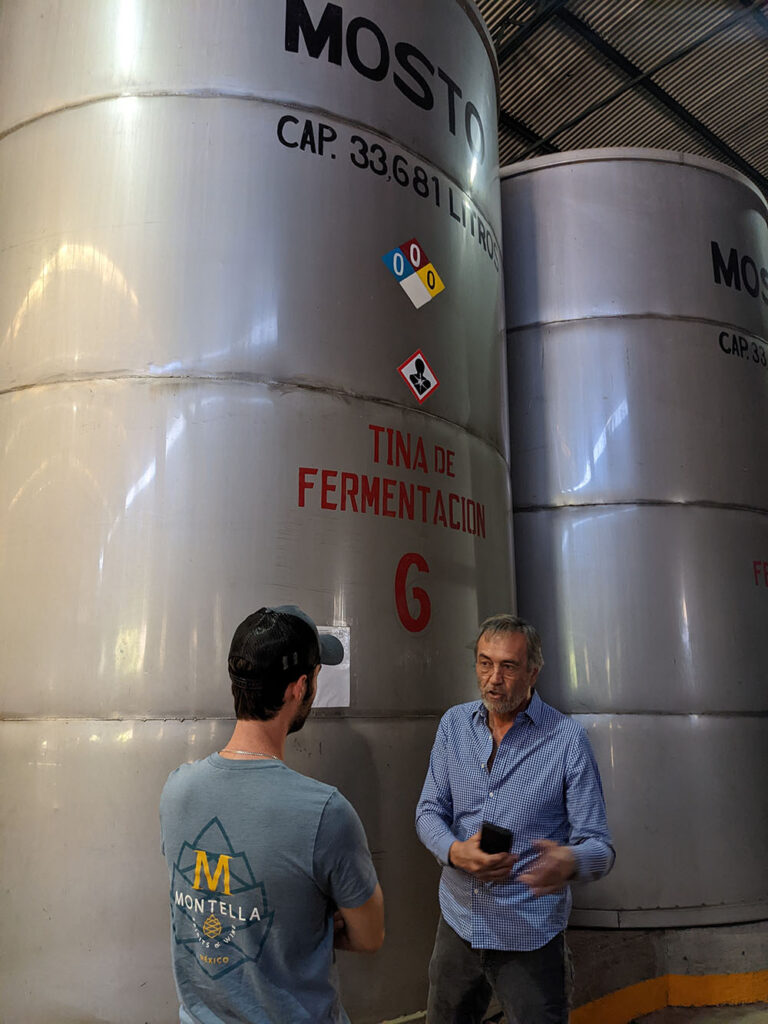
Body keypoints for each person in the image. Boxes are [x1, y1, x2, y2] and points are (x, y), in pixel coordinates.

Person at [160, 605, 384, 1024]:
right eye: (317, 674)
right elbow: (370, 936)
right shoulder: (325, 814)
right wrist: (305, 925)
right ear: (299, 688)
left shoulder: (176, 789)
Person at [415, 614, 614, 1024]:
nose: (493, 679)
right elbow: (428, 811)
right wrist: (454, 851)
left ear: (533, 672)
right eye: (485, 663)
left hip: (529, 936)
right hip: (458, 924)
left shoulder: (566, 740)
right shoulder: (454, 725)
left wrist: (569, 862)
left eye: (508, 666)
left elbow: (600, 846)